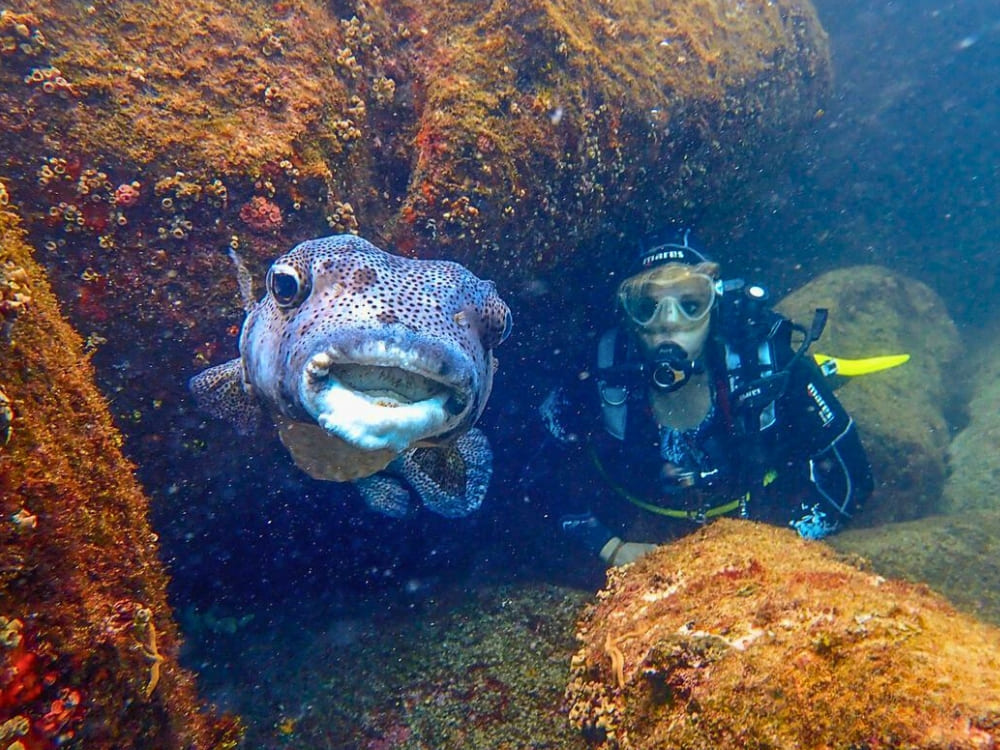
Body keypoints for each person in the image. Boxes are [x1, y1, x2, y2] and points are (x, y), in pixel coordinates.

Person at [539, 227, 874, 566]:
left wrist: (779, 550)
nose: (669, 322)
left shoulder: (766, 364)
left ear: (715, 305)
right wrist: (611, 547)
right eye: (647, 305)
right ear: (627, 315)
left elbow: (852, 477)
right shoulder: (596, 373)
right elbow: (537, 474)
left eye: (690, 303)